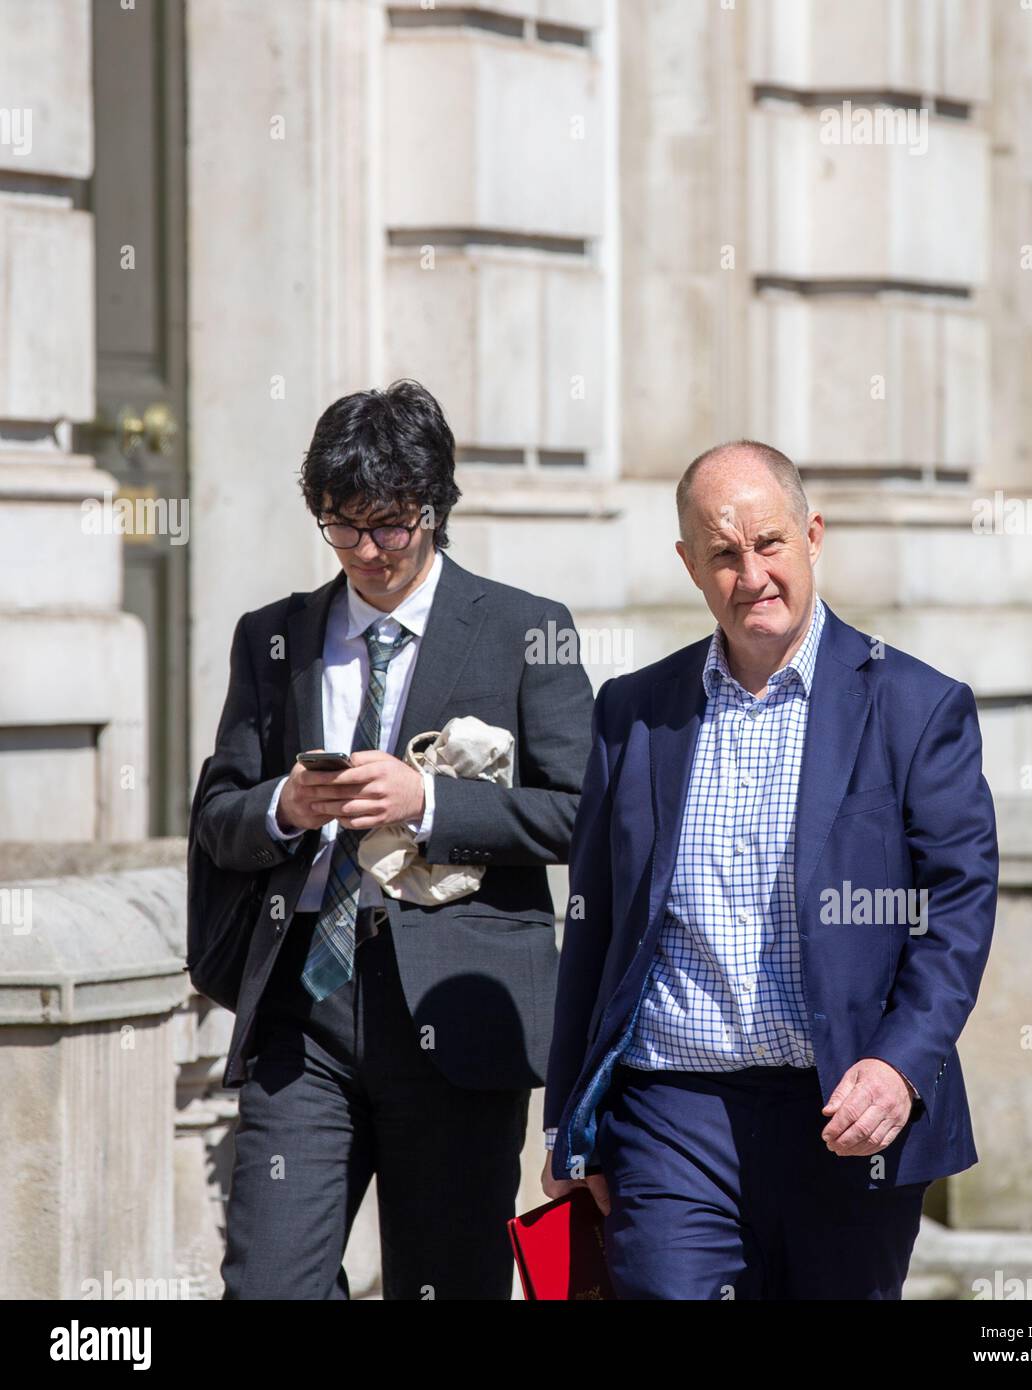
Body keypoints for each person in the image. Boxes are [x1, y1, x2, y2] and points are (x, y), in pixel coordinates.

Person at [542, 440, 998, 1300]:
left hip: (846, 1107)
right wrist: (571, 1126)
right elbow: (593, 925)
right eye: (722, 553)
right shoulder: (633, 714)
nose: (750, 574)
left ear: (813, 535)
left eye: (770, 543)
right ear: (689, 565)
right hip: (672, 1111)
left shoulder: (914, 706)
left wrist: (902, 1064)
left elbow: (957, 907)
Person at [194, 379, 593, 1299]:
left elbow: (579, 813)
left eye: (392, 525)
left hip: (457, 1010)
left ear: (436, 508)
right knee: (268, 1283)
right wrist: (283, 807)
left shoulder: (528, 631)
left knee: (446, 1282)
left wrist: (431, 802)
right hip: (304, 1008)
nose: (368, 551)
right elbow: (218, 811)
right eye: (343, 526)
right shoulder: (273, 639)